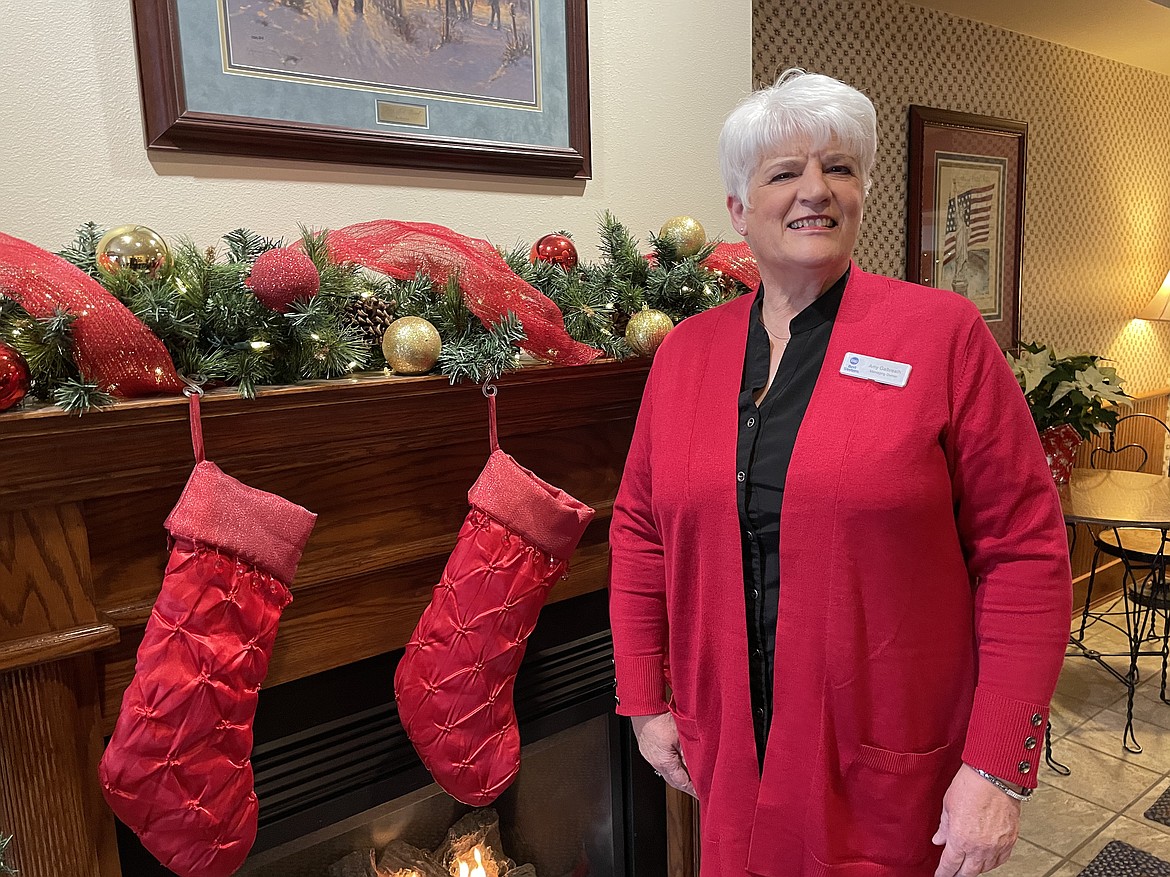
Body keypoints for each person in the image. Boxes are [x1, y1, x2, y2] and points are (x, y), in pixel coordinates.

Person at [608, 69, 1071, 877]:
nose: (814, 191)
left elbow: (1024, 553)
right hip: (732, 763)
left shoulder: (942, 337)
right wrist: (646, 700)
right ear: (737, 209)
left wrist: (996, 765)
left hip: (887, 769)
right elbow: (640, 531)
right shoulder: (685, 354)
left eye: (840, 169)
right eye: (784, 172)